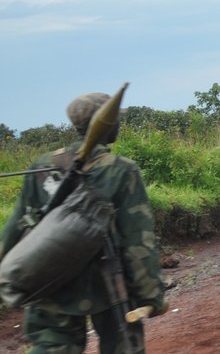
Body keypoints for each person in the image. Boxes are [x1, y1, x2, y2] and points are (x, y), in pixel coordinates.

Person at [0, 91, 167, 353]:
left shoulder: (42, 165)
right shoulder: (122, 170)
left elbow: (16, 226)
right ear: (108, 124)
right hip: (108, 285)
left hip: (48, 275)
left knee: (51, 347)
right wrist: (150, 295)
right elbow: (138, 242)